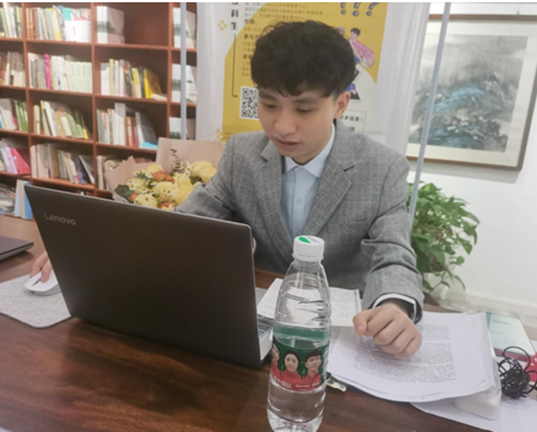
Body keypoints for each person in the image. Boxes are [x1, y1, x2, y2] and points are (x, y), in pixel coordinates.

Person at [31, 21, 423, 359]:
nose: (282, 126)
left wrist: (395, 306)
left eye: (304, 110)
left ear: (340, 104)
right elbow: (183, 224)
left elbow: (394, 255)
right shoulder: (243, 154)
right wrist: (97, 248)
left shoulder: (381, 168)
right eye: (269, 104)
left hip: (337, 337)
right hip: (249, 329)